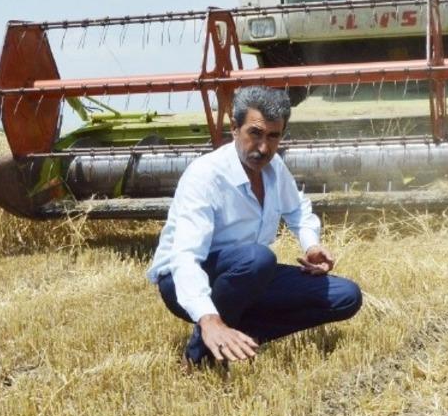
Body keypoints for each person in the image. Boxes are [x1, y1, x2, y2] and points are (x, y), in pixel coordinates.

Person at [147, 86, 363, 366]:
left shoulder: (274, 169)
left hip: (247, 276)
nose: (263, 148)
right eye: (255, 134)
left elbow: (297, 208)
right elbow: (186, 258)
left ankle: (237, 337)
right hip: (183, 281)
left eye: (273, 136)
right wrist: (208, 317)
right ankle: (201, 354)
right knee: (258, 258)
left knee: (346, 297)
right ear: (234, 128)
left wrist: (310, 244)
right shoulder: (206, 176)